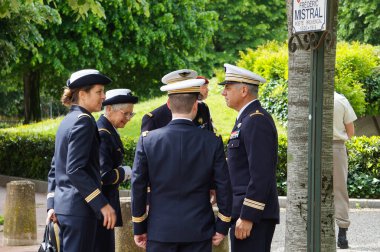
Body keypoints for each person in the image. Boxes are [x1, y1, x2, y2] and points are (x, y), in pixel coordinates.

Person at [131, 76, 232, 252]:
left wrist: (139, 226)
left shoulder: (148, 141)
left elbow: (138, 184)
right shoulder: (211, 141)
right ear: (195, 106)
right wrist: (222, 225)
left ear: (169, 105)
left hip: (160, 231)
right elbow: (223, 184)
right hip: (198, 231)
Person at [46, 69, 117, 252]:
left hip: (65, 209)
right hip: (79, 210)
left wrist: (51, 205)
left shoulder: (68, 120)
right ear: (83, 94)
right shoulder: (84, 121)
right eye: (99, 91)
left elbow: (56, 167)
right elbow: (75, 170)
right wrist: (101, 204)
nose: (104, 97)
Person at [219, 64, 279, 252]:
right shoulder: (246, 119)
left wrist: (248, 216)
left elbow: (261, 174)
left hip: (253, 216)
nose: (223, 93)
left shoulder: (256, 120)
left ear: (244, 90)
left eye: (228, 87)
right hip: (245, 212)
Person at [95, 89, 138, 252]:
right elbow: (104, 175)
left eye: (130, 115)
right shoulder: (103, 133)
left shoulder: (109, 130)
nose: (127, 119)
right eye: (125, 113)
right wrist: (125, 172)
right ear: (109, 109)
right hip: (102, 205)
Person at [141, 69, 214, 132]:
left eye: (190, 97)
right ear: (169, 102)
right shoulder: (153, 119)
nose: (184, 100)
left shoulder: (202, 108)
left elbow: (209, 134)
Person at [333, 91, 357, 249]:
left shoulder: (311, 98)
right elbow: (351, 132)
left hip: (314, 148)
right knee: (340, 190)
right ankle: (342, 234)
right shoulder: (341, 100)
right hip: (336, 148)